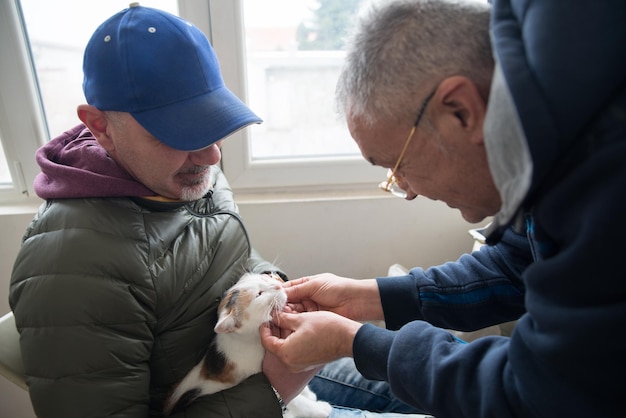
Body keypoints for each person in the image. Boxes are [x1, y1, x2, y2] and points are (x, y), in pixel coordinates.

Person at [261, 0, 626, 417]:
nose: (407, 191)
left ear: (460, 111)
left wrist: (356, 341)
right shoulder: (558, 121)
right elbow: (516, 265)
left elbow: (541, 392)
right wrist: (371, 298)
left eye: (397, 167)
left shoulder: (602, 178)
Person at [8, 4, 304, 417]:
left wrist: (270, 284)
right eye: (180, 132)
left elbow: (212, 262)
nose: (213, 154)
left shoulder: (177, 173)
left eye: (212, 123)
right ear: (100, 126)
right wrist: (274, 391)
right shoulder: (74, 268)